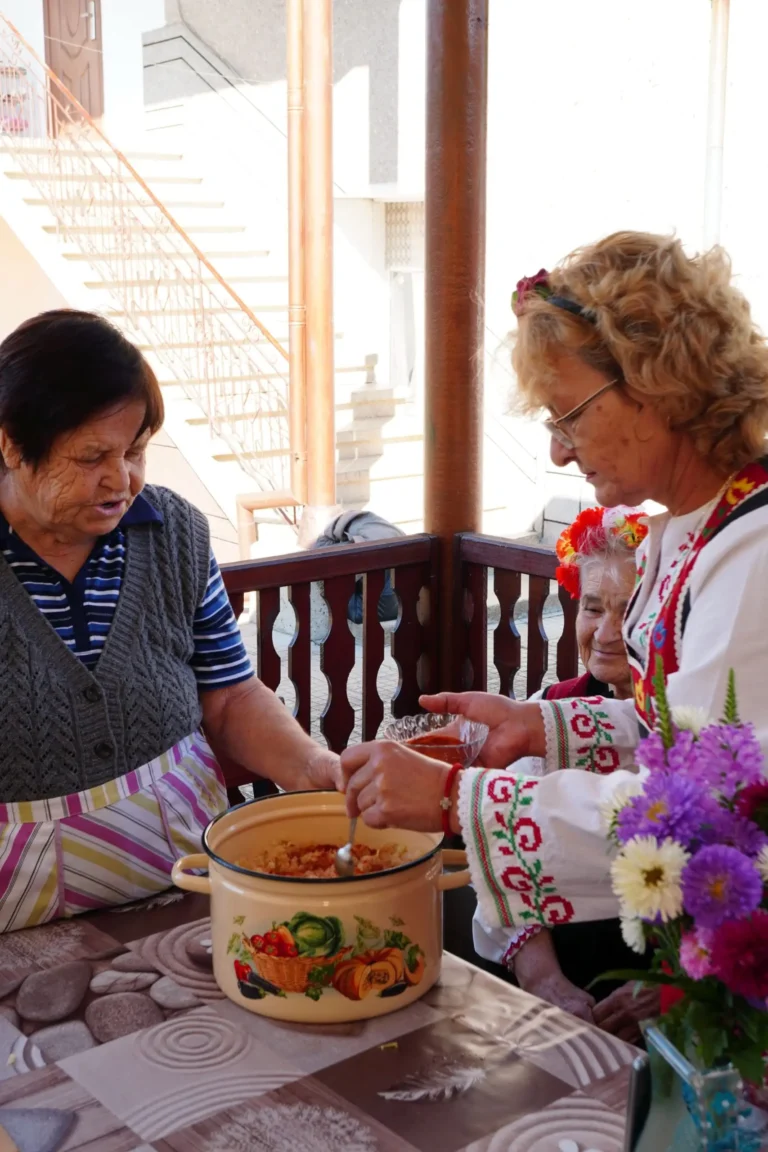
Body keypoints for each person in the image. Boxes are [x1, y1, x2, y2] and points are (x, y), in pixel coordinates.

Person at [339, 231, 768, 958]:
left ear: (656, 384)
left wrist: (452, 798)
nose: (559, 450)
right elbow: (695, 737)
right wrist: (542, 728)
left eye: (569, 414)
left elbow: (710, 810)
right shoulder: (699, 528)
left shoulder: (752, 554)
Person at [0, 310, 340, 932]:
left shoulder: (173, 532)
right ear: (12, 445)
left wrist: (313, 768)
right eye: (90, 456)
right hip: (17, 919)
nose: (121, 479)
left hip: (187, 880)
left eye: (135, 451)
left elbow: (231, 695)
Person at [472, 505, 658, 1041]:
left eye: (628, 610)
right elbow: (497, 854)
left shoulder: (700, 724)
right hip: (560, 984)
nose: (606, 631)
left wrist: (674, 989)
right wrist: (544, 980)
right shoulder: (545, 712)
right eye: (593, 608)